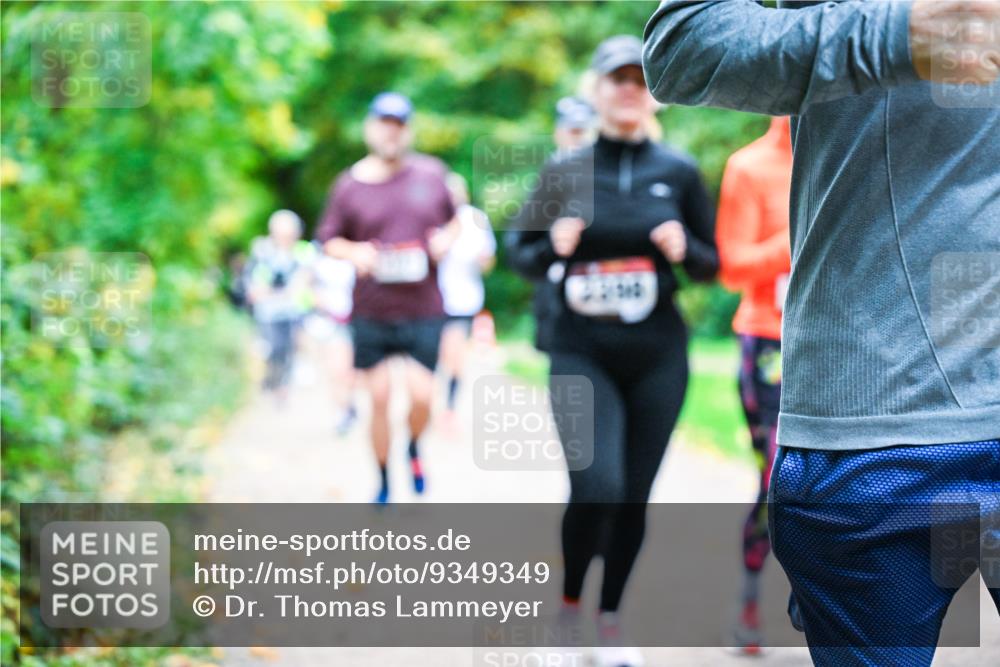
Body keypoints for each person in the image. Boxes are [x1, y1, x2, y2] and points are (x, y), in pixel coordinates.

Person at [643, 2, 1000, 665]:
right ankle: (745, 599)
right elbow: (683, 47)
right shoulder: (750, 167)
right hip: (878, 420)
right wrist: (897, 35)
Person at [508, 35, 718, 667]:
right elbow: (518, 253)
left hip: (657, 355)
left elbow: (713, 265)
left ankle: (610, 618)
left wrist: (686, 249)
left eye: (638, 78)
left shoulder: (677, 172)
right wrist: (555, 249)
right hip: (580, 351)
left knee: (633, 493)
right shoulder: (564, 171)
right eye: (616, 78)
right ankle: (570, 608)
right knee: (596, 482)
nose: (628, 88)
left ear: (653, 92)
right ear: (595, 90)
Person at [316, 91, 457, 504]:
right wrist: (355, 252)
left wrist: (445, 241)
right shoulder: (349, 185)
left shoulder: (432, 175)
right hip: (372, 309)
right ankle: (382, 480)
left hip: (424, 307)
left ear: (408, 130)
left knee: (422, 396)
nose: (391, 132)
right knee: (377, 398)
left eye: (399, 125)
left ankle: (412, 446)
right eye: (384, 123)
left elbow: (457, 223)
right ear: (370, 128)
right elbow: (328, 240)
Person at [715, 115, 793, 654]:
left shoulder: (858, 154)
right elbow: (732, 267)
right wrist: (800, 232)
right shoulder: (749, 166)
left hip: (845, 345)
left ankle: (824, 599)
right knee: (776, 477)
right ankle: (749, 600)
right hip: (770, 342)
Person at [507, 96, 597, 354]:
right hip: (558, 287)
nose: (578, 138)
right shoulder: (550, 174)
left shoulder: (608, 173)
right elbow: (521, 244)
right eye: (573, 131)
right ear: (559, 133)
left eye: (584, 131)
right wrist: (551, 246)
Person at [436, 172, 496, 428]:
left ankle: (448, 408)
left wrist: (482, 260)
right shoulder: (431, 216)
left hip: (463, 299)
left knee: (455, 353)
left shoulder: (475, 219)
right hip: (432, 300)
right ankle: (435, 403)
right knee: (438, 354)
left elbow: (488, 261)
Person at [244, 209, 316, 403]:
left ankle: (283, 386)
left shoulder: (303, 251)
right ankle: (272, 383)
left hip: (294, 311)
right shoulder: (262, 251)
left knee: (292, 347)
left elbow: (305, 280)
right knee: (273, 349)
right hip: (268, 312)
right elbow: (256, 282)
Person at [305, 247, 358, 436]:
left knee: (351, 372)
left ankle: (348, 404)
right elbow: (307, 285)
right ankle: (341, 411)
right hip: (331, 322)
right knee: (337, 370)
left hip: (357, 321)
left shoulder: (358, 254)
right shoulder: (318, 258)